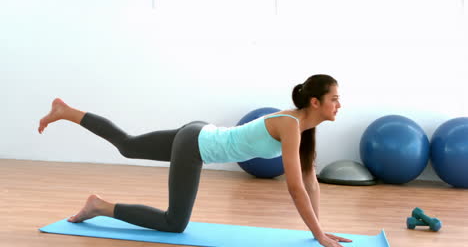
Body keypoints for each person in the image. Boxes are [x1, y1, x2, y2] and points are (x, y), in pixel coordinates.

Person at [38, 74, 351, 247]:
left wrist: (318, 229)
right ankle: (100, 206)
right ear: (315, 101)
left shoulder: (304, 129)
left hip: (198, 133)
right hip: (196, 146)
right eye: (334, 98)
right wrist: (318, 235)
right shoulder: (291, 126)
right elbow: (295, 188)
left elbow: (310, 181)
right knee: (174, 223)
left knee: (128, 146)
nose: (339, 104)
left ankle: (66, 112)